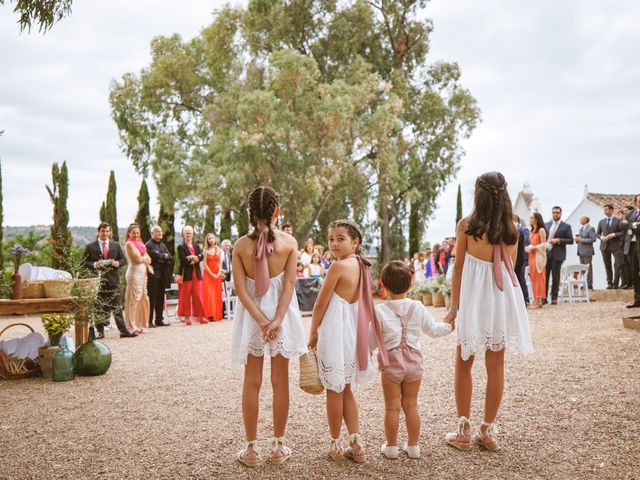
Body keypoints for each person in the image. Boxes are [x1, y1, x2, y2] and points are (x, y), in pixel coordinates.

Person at [444, 172, 532, 452]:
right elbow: (511, 265)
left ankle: (463, 431)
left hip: (474, 296)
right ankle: (488, 430)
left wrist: (453, 308)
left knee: (464, 361)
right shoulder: (512, 228)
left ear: (478, 194)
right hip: (501, 297)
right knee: (496, 365)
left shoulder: (467, 225)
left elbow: (457, 268)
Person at [230, 186, 307, 467]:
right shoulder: (289, 243)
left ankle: (250, 449)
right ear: (277, 210)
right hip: (281, 316)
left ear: (250, 212)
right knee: (280, 381)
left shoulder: (240, 246)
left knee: (251, 380)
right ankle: (278, 446)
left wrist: (261, 321)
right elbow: (288, 286)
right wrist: (275, 321)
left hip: (252, 317)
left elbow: (241, 290)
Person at [308, 219, 387, 463]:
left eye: (340, 239)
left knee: (334, 389)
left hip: (335, 332)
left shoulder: (337, 267)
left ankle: (335, 444)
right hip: (352, 332)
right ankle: (356, 443)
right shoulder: (361, 266)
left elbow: (321, 303)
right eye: (331, 239)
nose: (334, 243)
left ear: (355, 242)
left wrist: (312, 332)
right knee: (347, 390)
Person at [373, 261, 452, 459]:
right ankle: (413, 446)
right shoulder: (417, 306)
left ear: (384, 285)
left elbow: (370, 341)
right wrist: (449, 326)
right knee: (411, 404)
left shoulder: (380, 310)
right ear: (410, 285)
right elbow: (433, 330)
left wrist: (361, 357)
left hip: (391, 362)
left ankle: (391, 448)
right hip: (414, 361)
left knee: (392, 407)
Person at [82, 222, 134, 339]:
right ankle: (100, 332)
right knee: (99, 307)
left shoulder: (115, 245)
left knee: (117, 307)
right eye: (103, 231)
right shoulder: (90, 246)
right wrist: (95, 264)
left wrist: (116, 263)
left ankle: (123, 331)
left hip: (113, 280)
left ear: (110, 232)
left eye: (107, 231)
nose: (105, 233)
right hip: (98, 282)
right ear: (98, 232)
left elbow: (123, 260)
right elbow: (84, 262)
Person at [123, 223, 152, 334]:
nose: (136, 235)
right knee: (133, 299)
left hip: (143, 274)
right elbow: (137, 259)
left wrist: (143, 258)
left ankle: (138, 323)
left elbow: (149, 259)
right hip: (134, 274)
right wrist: (144, 258)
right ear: (129, 233)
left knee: (142, 297)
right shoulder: (129, 244)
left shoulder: (140, 243)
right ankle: (130, 326)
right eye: (133, 233)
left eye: (137, 232)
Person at [176, 226, 206, 325]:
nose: (188, 235)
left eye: (190, 233)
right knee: (186, 296)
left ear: (192, 235)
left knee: (198, 295)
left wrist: (193, 257)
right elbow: (183, 260)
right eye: (187, 233)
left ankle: (201, 317)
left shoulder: (197, 246)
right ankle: (187, 317)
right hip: (187, 274)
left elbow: (201, 256)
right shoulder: (181, 247)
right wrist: (195, 258)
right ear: (184, 235)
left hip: (197, 274)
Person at [545, 206, 574, 304]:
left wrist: (558, 240)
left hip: (558, 254)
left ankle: (554, 298)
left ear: (561, 214)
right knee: (545, 276)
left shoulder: (566, 226)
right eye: (553, 212)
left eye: (557, 212)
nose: (555, 214)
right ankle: (543, 298)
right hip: (546, 254)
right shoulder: (546, 224)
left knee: (555, 277)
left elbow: (571, 240)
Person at [145, 225, 173, 327]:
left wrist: (163, 256)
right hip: (153, 275)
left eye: (160, 231)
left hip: (162, 275)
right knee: (152, 298)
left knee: (161, 298)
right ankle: (149, 321)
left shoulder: (163, 245)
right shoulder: (148, 245)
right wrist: (163, 256)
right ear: (152, 233)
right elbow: (154, 256)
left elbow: (170, 256)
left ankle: (159, 319)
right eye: (157, 231)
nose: (159, 233)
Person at [597, 204, 624, 289]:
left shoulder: (618, 220)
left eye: (607, 209)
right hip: (604, 246)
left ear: (612, 210)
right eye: (604, 209)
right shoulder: (601, 221)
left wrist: (613, 234)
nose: (605, 211)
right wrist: (601, 237)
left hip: (616, 246)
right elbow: (597, 233)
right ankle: (609, 283)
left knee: (618, 265)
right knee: (607, 265)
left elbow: (622, 233)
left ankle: (615, 283)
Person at [526, 213, 547, 309]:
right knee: (533, 279)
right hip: (531, 256)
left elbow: (544, 245)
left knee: (539, 278)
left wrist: (533, 247)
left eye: (532, 217)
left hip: (538, 257)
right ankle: (534, 300)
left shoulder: (541, 230)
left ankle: (539, 301)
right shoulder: (531, 231)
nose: (530, 219)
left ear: (537, 219)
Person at [202, 233, 224, 322]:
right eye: (209, 238)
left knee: (215, 294)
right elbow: (204, 264)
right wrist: (211, 274)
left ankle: (215, 315)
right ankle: (208, 315)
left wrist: (218, 273)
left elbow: (220, 264)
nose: (211, 239)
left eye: (212, 238)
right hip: (208, 274)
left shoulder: (219, 250)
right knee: (208, 294)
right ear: (207, 240)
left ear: (215, 239)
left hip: (217, 275)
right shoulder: (205, 250)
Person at [625, 195, 640, 308]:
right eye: (639, 201)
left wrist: (632, 227)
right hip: (632, 247)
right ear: (635, 203)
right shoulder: (630, 214)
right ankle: (637, 299)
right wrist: (634, 225)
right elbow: (621, 225)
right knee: (634, 273)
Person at [575, 215, 597, 290]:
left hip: (587, 251)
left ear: (586, 220)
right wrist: (577, 240)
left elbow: (593, 239)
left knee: (588, 268)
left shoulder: (591, 228)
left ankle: (589, 285)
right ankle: (584, 284)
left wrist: (581, 240)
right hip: (580, 251)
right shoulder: (580, 228)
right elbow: (580, 239)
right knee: (582, 269)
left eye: (581, 219)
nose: (580, 220)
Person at [514, 216, 530, 305]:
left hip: (521, 259)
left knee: (521, 278)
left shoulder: (523, 230)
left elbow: (526, 241)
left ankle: (525, 299)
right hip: (515, 259)